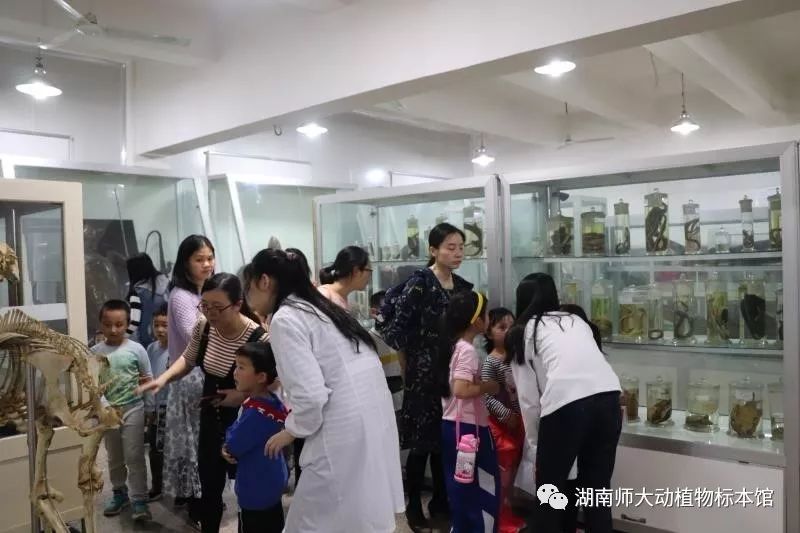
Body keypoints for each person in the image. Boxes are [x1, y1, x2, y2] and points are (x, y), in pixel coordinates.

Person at [245, 248, 404, 533]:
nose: (247, 294)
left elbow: (310, 396)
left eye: (249, 284)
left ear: (264, 281)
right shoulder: (317, 305)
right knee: (355, 516)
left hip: (341, 432)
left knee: (315, 522)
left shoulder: (286, 318)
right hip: (368, 422)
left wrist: (290, 431)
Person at [139, 273, 268, 533]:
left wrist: (241, 396)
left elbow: (273, 388)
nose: (210, 313)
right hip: (211, 418)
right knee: (209, 487)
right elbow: (188, 359)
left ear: (237, 304)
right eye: (205, 305)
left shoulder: (259, 339)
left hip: (247, 421)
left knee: (249, 488)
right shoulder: (204, 326)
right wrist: (163, 379)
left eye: (217, 307)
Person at [506, 273, 622, 533]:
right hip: (610, 399)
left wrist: (536, 449)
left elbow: (528, 401)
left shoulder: (524, 332)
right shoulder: (576, 321)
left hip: (567, 406)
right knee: (596, 491)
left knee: (549, 495)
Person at [380, 222, 473, 528]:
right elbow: (397, 332)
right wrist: (410, 362)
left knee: (446, 437)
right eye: (450, 247)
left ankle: (441, 501)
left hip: (453, 369)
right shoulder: (420, 284)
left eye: (461, 247)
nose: (457, 253)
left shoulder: (462, 287)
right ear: (433, 250)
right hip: (423, 373)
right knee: (422, 442)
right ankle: (413, 506)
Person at [162, 235, 215, 524]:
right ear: (186, 263)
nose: (207, 264)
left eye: (210, 258)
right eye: (199, 259)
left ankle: (207, 500)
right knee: (194, 445)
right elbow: (197, 336)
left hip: (207, 376)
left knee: (205, 442)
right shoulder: (181, 296)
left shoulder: (207, 291)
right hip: (190, 377)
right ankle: (197, 506)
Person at [437, 291, 500, 532]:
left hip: (451, 426)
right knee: (482, 486)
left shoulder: (452, 346)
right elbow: (461, 389)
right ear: (476, 320)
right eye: (486, 314)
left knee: (460, 487)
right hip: (469, 430)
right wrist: (489, 386)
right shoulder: (467, 350)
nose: (488, 319)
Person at [92, 299, 154, 522]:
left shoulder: (137, 349)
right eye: (108, 324)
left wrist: (150, 407)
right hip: (108, 413)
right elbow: (92, 385)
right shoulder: (94, 352)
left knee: (134, 456)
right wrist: (105, 407)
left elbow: (148, 379)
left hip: (133, 409)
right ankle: (120, 493)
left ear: (127, 324)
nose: (113, 330)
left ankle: (139, 499)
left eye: (119, 324)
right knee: (114, 456)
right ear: (100, 323)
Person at [222, 342, 288, 533]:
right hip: (272, 483)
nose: (235, 372)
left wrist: (225, 442)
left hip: (255, 489)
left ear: (261, 376)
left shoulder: (256, 413)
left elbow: (233, 445)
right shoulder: (273, 402)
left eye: (241, 367)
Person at [481, 307, 526, 533]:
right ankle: (498, 518)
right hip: (501, 427)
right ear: (489, 333)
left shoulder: (516, 357)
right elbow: (487, 397)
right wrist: (506, 415)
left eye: (511, 326)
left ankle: (505, 511)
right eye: (501, 327)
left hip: (519, 424)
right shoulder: (491, 362)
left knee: (512, 471)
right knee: (503, 474)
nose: (508, 331)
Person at [146, 302, 170, 502]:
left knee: (174, 450)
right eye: (156, 325)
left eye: (165, 325)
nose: (160, 329)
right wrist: (150, 407)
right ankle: (157, 485)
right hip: (157, 407)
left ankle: (179, 490)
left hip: (173, 408)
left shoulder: (180, 350)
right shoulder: (151, 349)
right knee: (155, 449)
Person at [126, 252, 170, 348]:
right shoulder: (167, 284)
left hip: (145, 342)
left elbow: (134, 322)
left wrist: (121, 337)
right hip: (168, 338)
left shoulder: (138, 291)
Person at [370, 290, 403, 417]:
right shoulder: (369, 341)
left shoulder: (402, 336)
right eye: (387, 310)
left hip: (403, 400)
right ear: (374, 312)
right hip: (383, 404)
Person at [317, 245, 372, 309]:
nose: (370, 275)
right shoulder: (324, 295)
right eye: (369, 270)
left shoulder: (341, 297)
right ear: (356, 271)